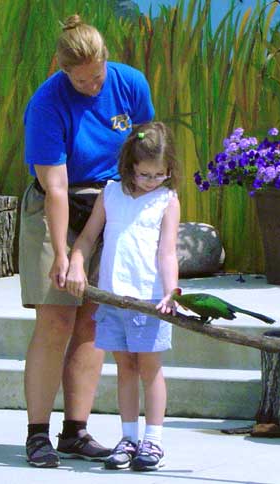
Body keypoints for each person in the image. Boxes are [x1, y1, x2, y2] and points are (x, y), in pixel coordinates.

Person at [19, 14, 155, 468]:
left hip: (109, 203)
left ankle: (75, 431)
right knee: (57, 317)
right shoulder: (46, 104)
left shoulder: (130, 84)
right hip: (57, 206)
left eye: (97, 76)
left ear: (105, 60)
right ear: (62, 69)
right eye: (81, 80)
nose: (93, 86)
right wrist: (63, 254)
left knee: (91, 322)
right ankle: (37, 434)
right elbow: (55, 188)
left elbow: (146, 153)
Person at [66, 122, 180, 472]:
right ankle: (128, 437)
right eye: (146, 174)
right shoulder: (110, 194)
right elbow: (87, 239)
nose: (152, 180)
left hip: (148, 300)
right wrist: (76, 263)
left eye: (160, 174)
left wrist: (170, 290)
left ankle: (154, 440)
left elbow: (167, 252)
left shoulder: (166, 200)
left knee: (150, 368)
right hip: (114, 300)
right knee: (125, 368)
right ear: (130, 165)